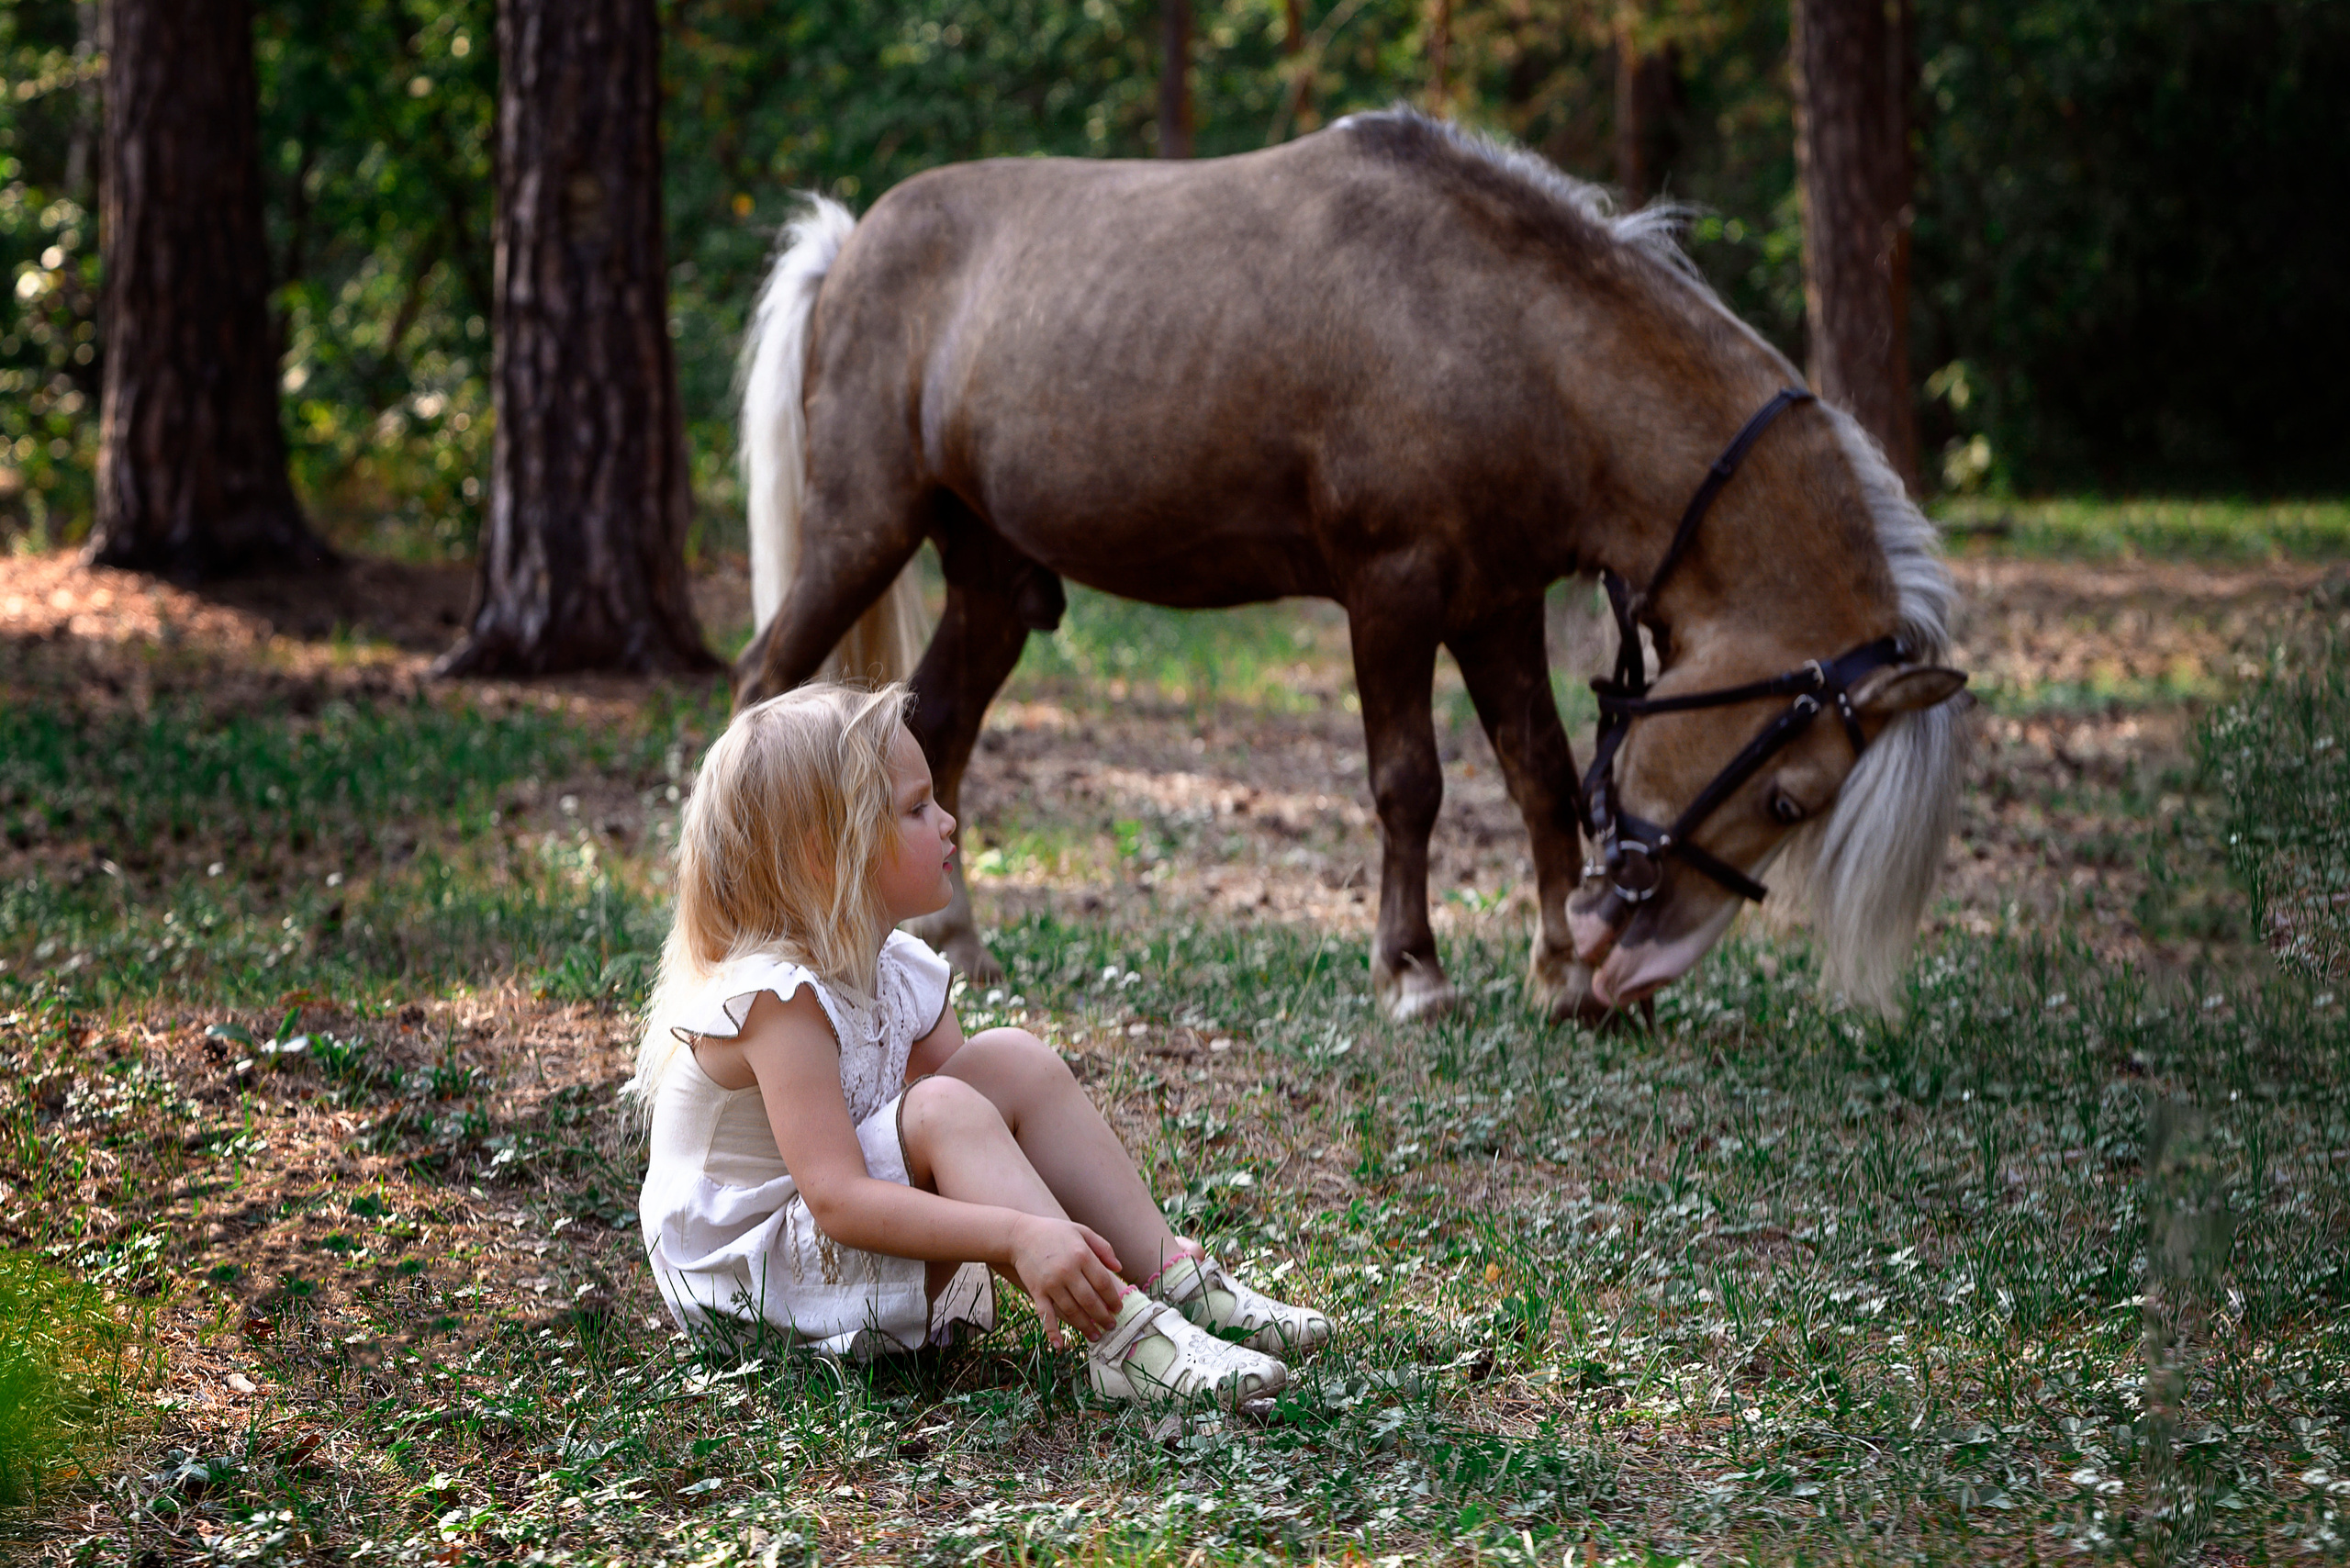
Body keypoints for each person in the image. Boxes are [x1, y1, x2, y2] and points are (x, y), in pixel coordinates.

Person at [629, 682, 1330, 1404]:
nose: (949, 821)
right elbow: (839, 1197)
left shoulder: (898, 970)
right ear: (824, 854)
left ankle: (1172, 1282)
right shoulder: (778, 1003)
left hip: (828, 1249)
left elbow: (975, 1144)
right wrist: (1016, 1238)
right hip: (753, 1287)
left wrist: (1037, 1232)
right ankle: (1126, 1337)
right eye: (916, 808)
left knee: (1008, 1060)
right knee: (941, 1107)